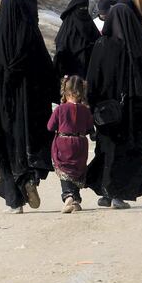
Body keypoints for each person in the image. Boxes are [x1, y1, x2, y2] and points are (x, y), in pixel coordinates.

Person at [0, 0, 59, 214]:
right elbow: (46, 69)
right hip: (32, 108)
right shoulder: (31, 35)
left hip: (3, 109)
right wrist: (58, 94)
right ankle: (29, 178)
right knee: (30, 146)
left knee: (7, 149)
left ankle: (14, 201)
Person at [86, 3, 142, 209]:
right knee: (129, 152)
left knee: (107, 151)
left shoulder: (103, 45)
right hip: (136, 114)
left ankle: (107, 192)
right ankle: (116, 195)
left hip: (108, 113)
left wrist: (92, 107)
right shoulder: (140, 44)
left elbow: (93, 80)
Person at [47, 76, 94, 214]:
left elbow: (50, 126)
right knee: (77, 169)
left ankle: (68, 197)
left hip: (63, 142)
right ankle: (76, 199)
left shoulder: (60, 109)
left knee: (65, 169)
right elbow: (90, 126)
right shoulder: (85, 110)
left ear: (65, 92)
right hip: (80, 142)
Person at [54, 0, 101, 79]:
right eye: (81, 8)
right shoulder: (68, 27)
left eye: (85, 8)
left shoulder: (89, 23)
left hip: (85, 69)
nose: (83, 11)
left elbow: (98, 42)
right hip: (68, 69)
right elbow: (61, 46)